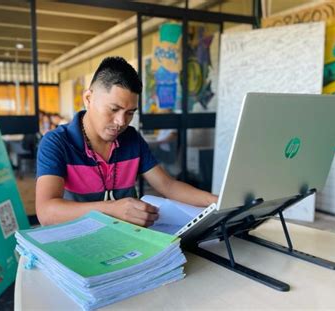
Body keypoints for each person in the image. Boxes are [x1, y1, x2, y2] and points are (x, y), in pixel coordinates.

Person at [36, 57, 217, 227]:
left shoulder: (131, 139)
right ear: (88, 99)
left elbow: (168, 186)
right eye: (114, 109)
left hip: (127, 239)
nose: (121, 122)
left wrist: (215, 201)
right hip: (78, 241)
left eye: (130, 112)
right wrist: (112, 209)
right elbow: (46, 212)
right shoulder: (56, 143)